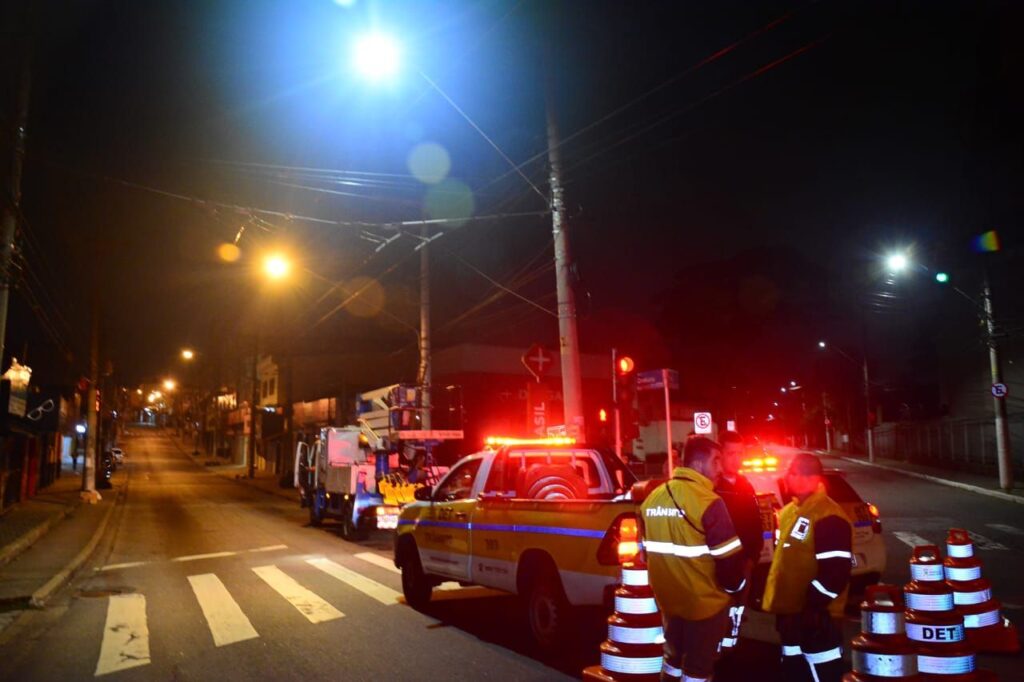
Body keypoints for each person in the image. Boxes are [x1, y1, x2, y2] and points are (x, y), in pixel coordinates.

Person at [641, 437, 747, 682]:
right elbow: (730, 562)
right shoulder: (709, 502)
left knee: (672, 662)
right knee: (698, 669)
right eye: (716, 460)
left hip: (669, 603)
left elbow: (647, 553)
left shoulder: (652, 499)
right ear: (699, 465)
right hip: (705, 605)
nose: (721, 468)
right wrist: (736, 590)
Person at [763, 453, 853, 682]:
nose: (786, 477)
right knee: (795, 672)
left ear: (809, 477)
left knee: (823, 674)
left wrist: (813, 608)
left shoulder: (829, 516)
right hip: (792, 619)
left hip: (818, 621)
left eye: (791, 472)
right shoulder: (789, 513)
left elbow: (836, 574)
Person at [714, 430, 764, 651]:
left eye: (740, 453)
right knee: (718, 612)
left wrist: (752, 557)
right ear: (720, 455)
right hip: (718, 563)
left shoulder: (746, 486)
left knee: (737, 611)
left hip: (744, 563)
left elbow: (755, 523)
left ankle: (733, 646)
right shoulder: (712, 487)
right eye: (731, 453)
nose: (737, 459)